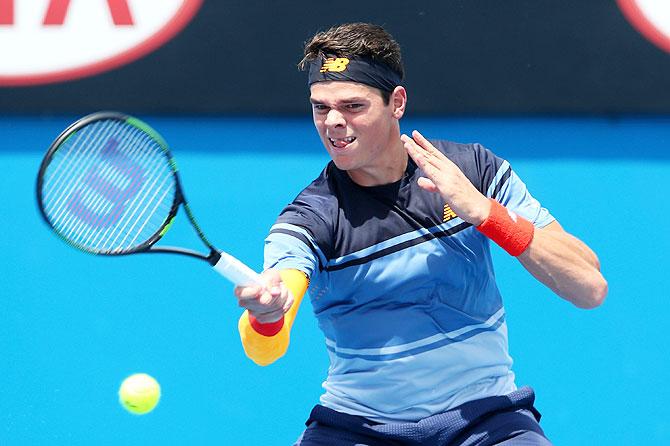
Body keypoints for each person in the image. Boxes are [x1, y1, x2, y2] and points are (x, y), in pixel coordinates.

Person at [234, 22, 607, 446]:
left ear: (397, 102)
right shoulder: (309, 219)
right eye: (321, 108)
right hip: (357, 430)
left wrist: (485, 213)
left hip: (485, 421)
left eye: (353, 105)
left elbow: (589, 287)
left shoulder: (474, 171)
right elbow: (267, 343)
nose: (333, 122)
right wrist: (267, 316)